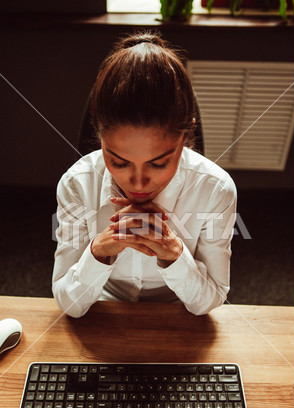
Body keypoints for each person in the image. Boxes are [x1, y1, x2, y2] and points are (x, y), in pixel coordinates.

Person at [52, 31, 237, 318]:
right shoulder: (77, 184)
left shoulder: (216, 189)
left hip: (179, 315)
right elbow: (70, 305)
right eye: (119, 162)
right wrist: (98, 252)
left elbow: (209, 302)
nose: (137, 183)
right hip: (103, 311)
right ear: (100, 138)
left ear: (186, 139)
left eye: (159, 164)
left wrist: (174, 253)